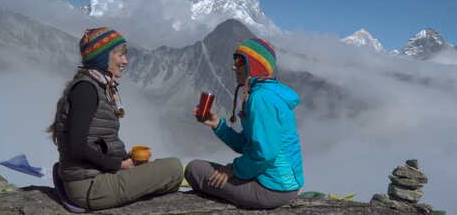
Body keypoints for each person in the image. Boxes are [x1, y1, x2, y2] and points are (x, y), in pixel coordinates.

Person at [47, 27, 183, 210]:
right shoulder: (86, 90)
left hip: (92, 179)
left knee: (161, 169)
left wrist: (125, 159)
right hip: (90, 186)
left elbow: (96, 141)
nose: (125, 61)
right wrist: (119, 164)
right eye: (120, 55)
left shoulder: (95, 86)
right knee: (174, 169)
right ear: (102, 57)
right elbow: (77, 147)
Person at [184, 38, 304, 209]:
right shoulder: (268, 92)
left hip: (273, 190)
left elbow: (265, 153)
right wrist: (217, 124)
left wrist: (233, 169)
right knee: (203, 169)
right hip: (282, 184)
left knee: (194, 169)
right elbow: (249, 145)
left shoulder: (260, 98)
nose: (234, 66)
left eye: (240, 61)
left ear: (254, 66)